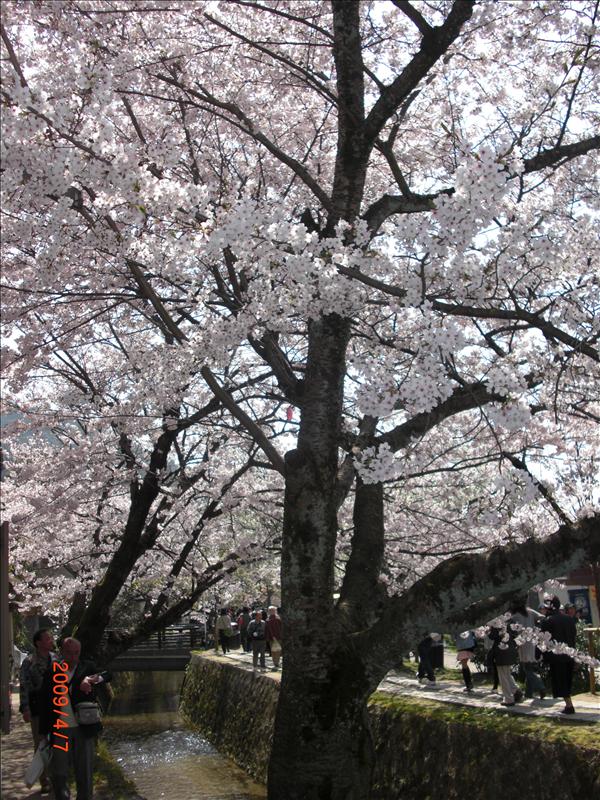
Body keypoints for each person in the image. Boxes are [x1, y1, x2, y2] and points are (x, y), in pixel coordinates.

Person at [39, 637, 112, 800]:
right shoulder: (52, 671)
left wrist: (92, 679)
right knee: (59, 771)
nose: (73, 657)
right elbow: (44, 703)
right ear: (62, 652)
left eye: (76, 653)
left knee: (84, 770)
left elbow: (108, 674)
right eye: (69, 653)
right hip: (59, 729)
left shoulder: (87, 667)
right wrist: (43, 732)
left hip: (83, 727)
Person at [19, 628, 56, 795]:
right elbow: (24, 686)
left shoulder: (56, 659)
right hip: (38, 707)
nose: (51, 640)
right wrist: (25, 708)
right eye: (48, 639)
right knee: (41, 742)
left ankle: (57, 776)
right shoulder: (29, 661)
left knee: (57, 741)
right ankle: (44, 780)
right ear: (39, 642)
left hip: (56, 707)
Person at [541, 596, 577, 714]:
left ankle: (569, 706)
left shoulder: (547, 621)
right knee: (567, 680)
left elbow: (544, 640)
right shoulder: (569, 619)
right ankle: (569, 705)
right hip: (570, 653)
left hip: (557, 656)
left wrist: (540, 655)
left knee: (561, 681)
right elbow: (573, 636)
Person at [510, 601, 546, 700]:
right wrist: (536, 627)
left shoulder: (515, 615)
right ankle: (528, 693)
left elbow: (511, 628)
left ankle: (540, 686)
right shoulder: (530, 611)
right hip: (532, 639)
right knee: (529, 667)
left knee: (527, 669)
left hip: (522, 641)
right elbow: (542, 617)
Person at [489, 618, 523, 706]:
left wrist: (489, 629)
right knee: (507, 673)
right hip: (510, 649)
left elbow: (492, 636)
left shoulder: (496, 621)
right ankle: (516, 690)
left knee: (503, 676)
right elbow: (517, 635)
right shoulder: (512, 621)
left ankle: (509, 699)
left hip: (501, 651)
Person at [265, 606, 283, 670]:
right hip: (278, 637)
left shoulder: (268, 619)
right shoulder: (278, 618)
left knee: (273, 650)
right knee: (278, 650)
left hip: (271, 637)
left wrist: (269, 637)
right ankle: (276, 662)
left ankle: (275, 662)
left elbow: (267, 630)